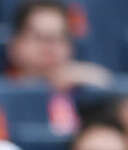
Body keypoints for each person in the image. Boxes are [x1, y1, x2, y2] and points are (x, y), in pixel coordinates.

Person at [6, 0, 111, 134]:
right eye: (39, 37)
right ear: (15, 44)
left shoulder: (81, 87)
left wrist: (94, 78)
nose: (50, 47)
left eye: (60, 38)